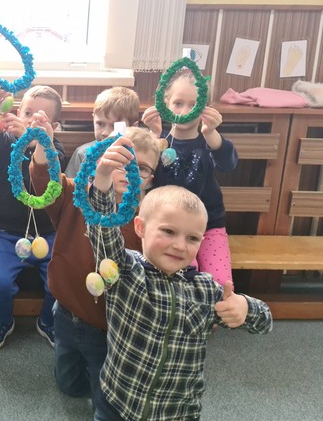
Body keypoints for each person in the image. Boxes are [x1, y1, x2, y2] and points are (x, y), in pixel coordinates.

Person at [88, 137, 273, 421]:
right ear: (140, 228)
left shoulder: (206, 290)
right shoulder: (126, 270)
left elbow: (264, 322)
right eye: (169, 231)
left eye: (192, 238)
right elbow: (103, 230)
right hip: (117, 405)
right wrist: (102, 180)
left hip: (177, 413)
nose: (179, 246)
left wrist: (246, 307)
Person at [29, 125, 159, 408]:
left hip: (110, 326)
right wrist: (43, 146)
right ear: (102, 160)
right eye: (121, 162)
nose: (129, 172)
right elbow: (44, 182)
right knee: (68, 383)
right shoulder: (76, 197)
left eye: (142, 168)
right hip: (66, 312)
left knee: (106, 396)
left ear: (149, 179)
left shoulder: (147, 222)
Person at [0, 84, 65, 350]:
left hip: (46, 234)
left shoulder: (55, 149)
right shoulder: (7, 142)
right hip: (8, 234)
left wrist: (37, 142)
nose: (31, 121)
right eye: (28, 113)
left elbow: (49, 171)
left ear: (54, 126)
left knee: (57, 283)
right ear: (18, 113)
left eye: (40, 119)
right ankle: (3, 321)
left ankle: (47, 321)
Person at [142, 69, 237, 285]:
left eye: (194, 105)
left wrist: (211, 132)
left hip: (210, 226)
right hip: (169, 228)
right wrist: (153, 134)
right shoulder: (159, 141)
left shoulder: (209, 141)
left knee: (221, 284)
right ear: (165, 104)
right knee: (181, 279)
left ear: (205, 107)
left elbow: (228, 163)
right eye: (178, 103)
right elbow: (143, 170)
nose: (185, 110)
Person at [65, 87, 140, 179]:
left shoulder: (138, 156)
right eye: (100, 124)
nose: (106, 133)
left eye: (114, 126)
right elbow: (71, 185)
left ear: (133, 127)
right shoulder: (82, 154)